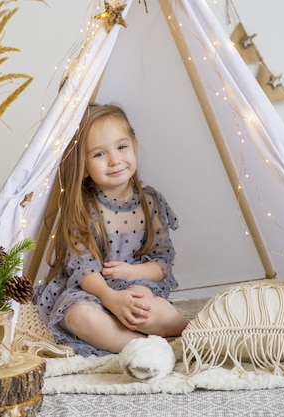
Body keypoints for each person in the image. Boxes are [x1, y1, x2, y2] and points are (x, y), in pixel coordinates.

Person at [34, 103, 187, 364]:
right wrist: (111, 298)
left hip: (137, 287)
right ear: (83, 165)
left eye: (122, 147)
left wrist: (133, 274)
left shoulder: (151, 203)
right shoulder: (81, 207)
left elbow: (162, 262)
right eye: (99, 154)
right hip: (93, 291)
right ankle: (144, 345)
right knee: (80, 317)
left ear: (134, 146)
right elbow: (84, 270)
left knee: (155, 312)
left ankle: (166, 333)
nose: (115, 160)